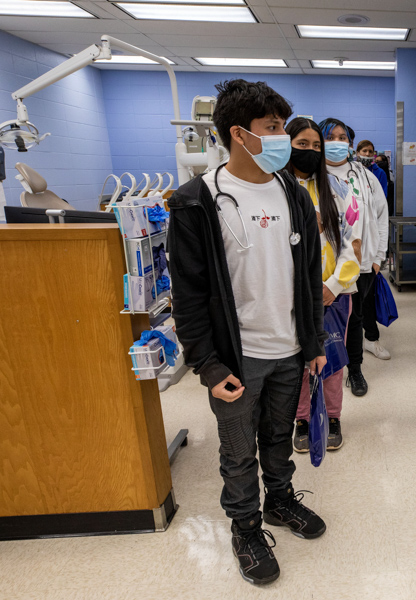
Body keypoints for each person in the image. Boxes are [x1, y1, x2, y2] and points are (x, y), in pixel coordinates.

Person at [167, 79, 328, 586]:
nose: (282, 137)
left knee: (279, 438)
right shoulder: (197, 201)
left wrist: (315, 343)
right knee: (238, 452)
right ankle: (245, 527)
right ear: (240, 134)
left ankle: (280, 501)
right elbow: (189, 295)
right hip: (238, 359)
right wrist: (208, 366)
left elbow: (308, 276)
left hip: (289, 349)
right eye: (274, 128)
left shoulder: (292, 196)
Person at [284, 117, 362, 453]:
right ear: (286, 145)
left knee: (330, 362)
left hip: (334, 294)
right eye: (303, 144)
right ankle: (302, 418)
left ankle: (333, 417)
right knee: (298, 362)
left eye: (316, 146)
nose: (311, 151)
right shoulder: (277, 190)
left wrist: (332, 285)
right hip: (289, 297)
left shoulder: (338, 190)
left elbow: (352, 246)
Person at [319, 118, 390, 397]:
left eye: (342, 137)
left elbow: (381, 216)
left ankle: (356, 369)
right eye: (330, 137)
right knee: (324, 320)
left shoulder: (365, 176)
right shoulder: (312, 175)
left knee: (355, 318)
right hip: (325, 266)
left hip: (361, 265)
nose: (337, 143)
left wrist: (378, 258)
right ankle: (324, 372)